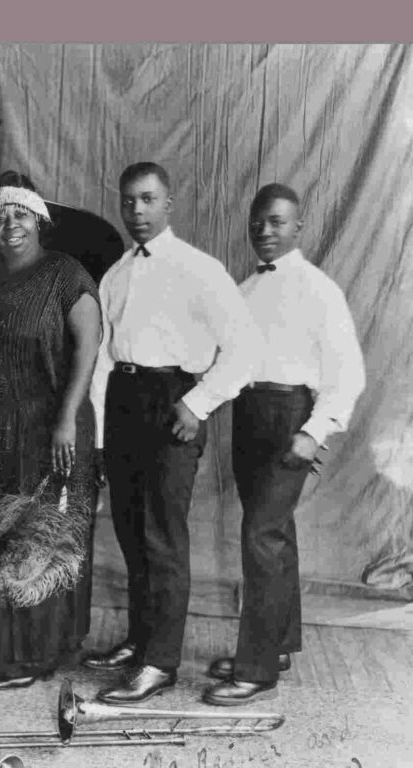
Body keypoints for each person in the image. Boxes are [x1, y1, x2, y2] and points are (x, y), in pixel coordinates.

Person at [83, 161, 260, 704]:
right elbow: (104, 359)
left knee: (162, 536)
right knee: (132, 532)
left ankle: (160, 663)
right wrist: (99, 437)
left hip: (172, 402)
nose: (137, 210)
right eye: (129, 200)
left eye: (148, 199)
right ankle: (140, 640)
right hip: (124, 401)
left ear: (169, 203)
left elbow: (245, 349)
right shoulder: (115, 274)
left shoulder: (199, 269)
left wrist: (198, 403)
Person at [202, 183, 365, 706]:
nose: (265, 231)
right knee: (274, 532)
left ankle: (255, 670)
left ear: (299, 227)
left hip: (291, 415)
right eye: (258, 222)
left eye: (276, 222)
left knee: (261, 537)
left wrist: (313, 431)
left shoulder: (319, 289)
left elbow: (348, 372)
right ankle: (275, 645)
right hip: (249, 413)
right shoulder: (244, 289)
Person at [0, 171, 102, 689]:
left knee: (38, 534)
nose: (11, 224)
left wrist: (66, 420)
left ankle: (33, 655)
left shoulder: (65, 273)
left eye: (22, 214)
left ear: (40, 220)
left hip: (50, 424)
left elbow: (88, 348)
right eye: (1, 215)